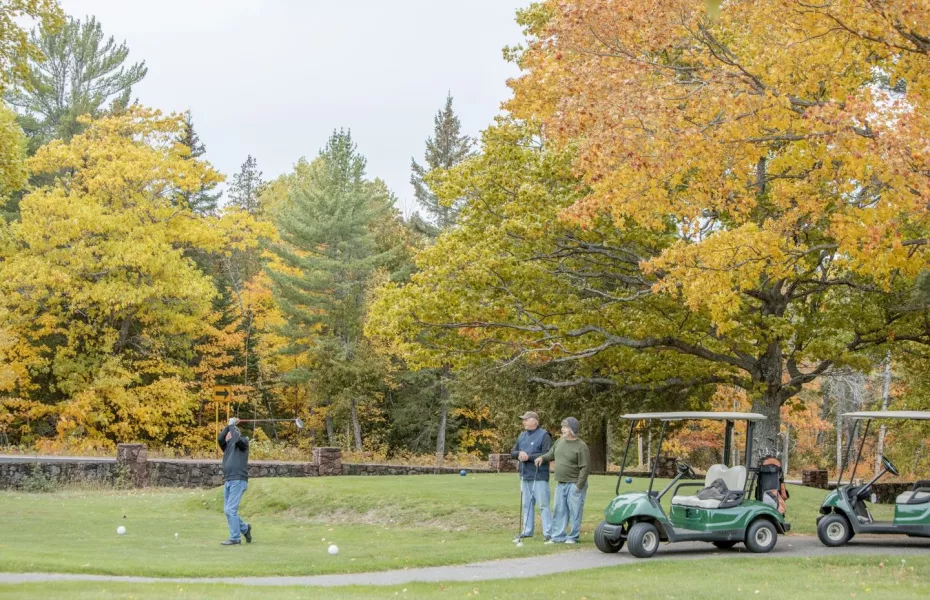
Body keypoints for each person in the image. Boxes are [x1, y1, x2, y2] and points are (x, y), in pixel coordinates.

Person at [536, 416, 589, 544]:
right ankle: (558, 536)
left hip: (575, 484)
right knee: (559, 510)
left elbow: (585, 468)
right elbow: (551, 454)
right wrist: (542, 458)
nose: (562, 429)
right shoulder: (559, 442)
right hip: (561, 483)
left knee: (575, 511)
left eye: (565, 427)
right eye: (562, 427)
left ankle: (573, 537)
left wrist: (578, 486)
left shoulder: (581, 446)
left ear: (572, 429)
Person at [510, 411, 552, 542]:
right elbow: (513, 452)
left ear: (535, 421)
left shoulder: (544, 435)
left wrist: (529, 456)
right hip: (525, 474)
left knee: (543, 505)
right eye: (523, 420)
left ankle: (548, 532)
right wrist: (519, 454)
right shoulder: (522, 435)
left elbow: (547, 454)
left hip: (539, 475)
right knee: (527, 504)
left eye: (526, 420)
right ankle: (527, 531)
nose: (524, 422)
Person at [218, 417, 252, 546]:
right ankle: (245, 528)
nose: (228, 435)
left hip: (238, 480)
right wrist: (228, 426)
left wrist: (232, 426)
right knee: (228, 510)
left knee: (230, 510)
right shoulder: (228, 446)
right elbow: (220, 439)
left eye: (231, 432)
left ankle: (235, 538)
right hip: (228, 480)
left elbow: (237, 438)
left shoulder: (243, 443)